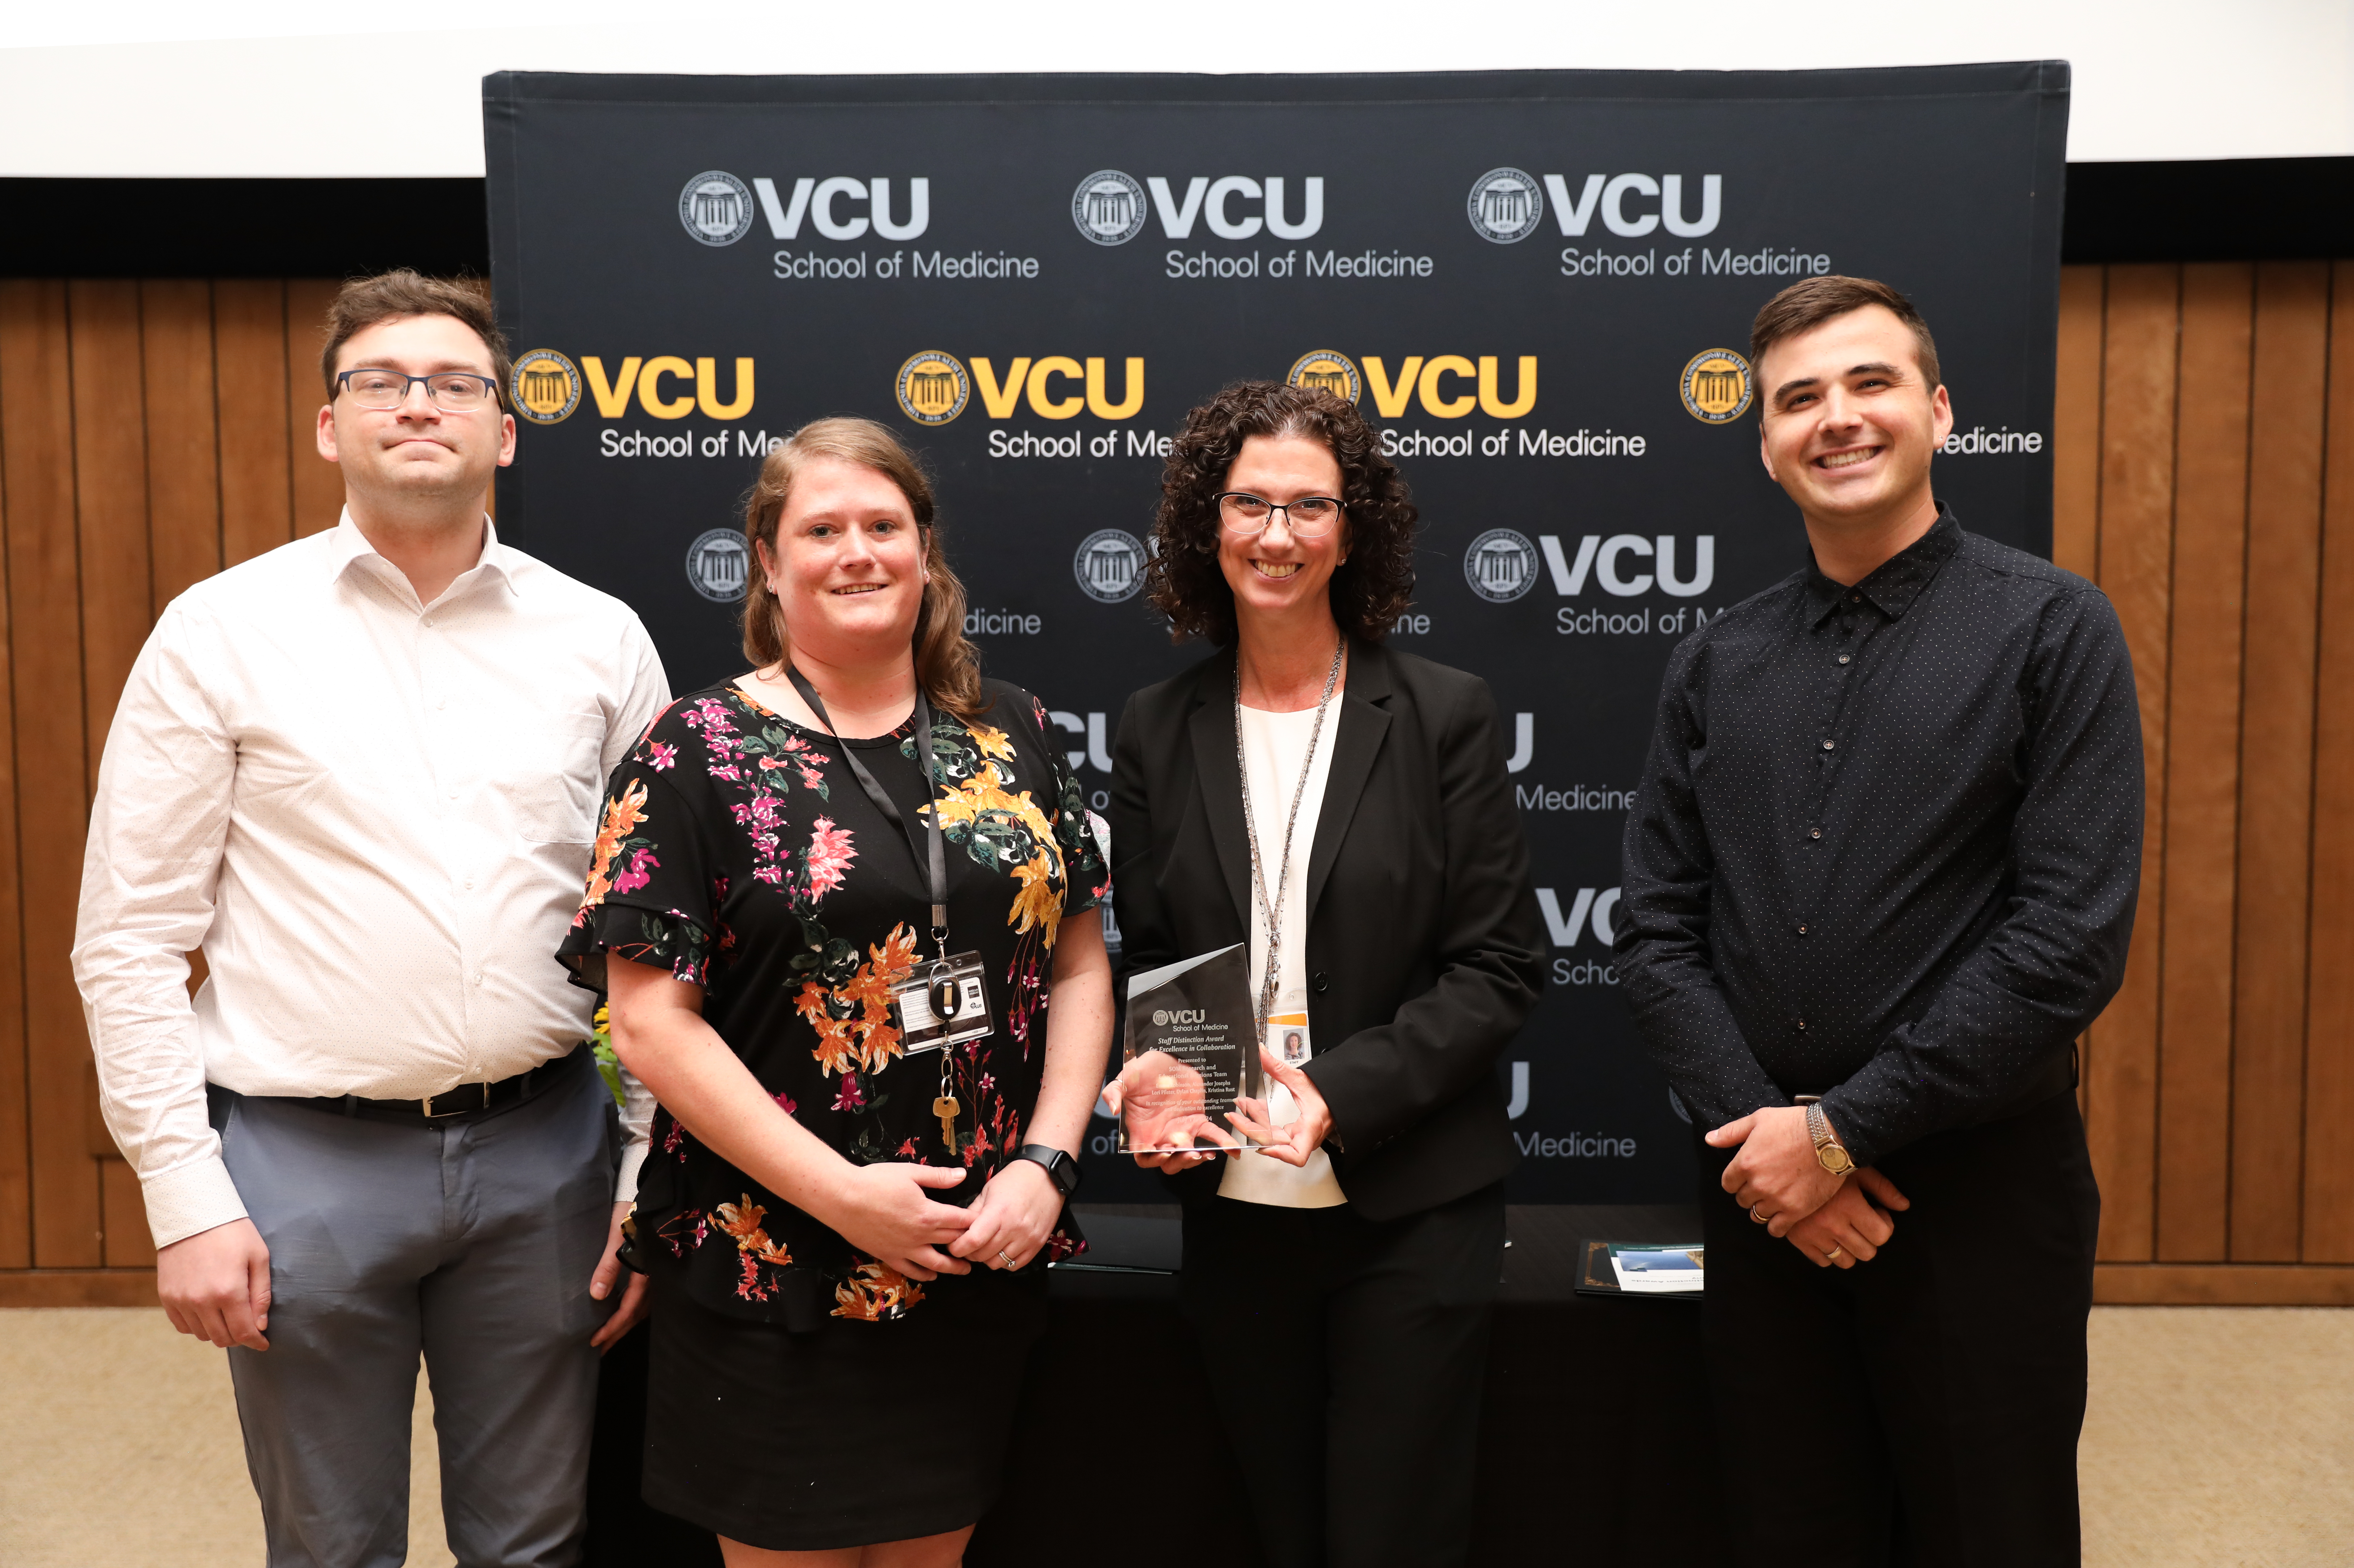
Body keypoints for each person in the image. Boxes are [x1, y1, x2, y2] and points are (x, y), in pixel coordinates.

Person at [70, 269, 671, 1565]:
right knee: (331, 1547)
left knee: (534, 1543)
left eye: (455, 383)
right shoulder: (219, 633)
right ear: (331, 426)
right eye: (380, 382)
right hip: (302, 1170)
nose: (419, 404)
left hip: (548, 1159)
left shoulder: (600, 639)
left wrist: (642, 1168)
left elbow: (654, 946)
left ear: (504, 430)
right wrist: (185, 1198)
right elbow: (127, 938)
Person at [1615, 275, 2142, 1565]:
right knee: (1791, 1528)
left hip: (1974, 1201)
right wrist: (1780, 1162)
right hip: (1762, 1201)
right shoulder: (1718, 661)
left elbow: (2068, 938)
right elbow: (1657, 930)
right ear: (1766, 444)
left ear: (1939, 411)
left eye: (1870, 384)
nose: (1835, 419)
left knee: (1989, 1528)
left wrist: (1842, 1135)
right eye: (1799, 399)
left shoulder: (2052, 629)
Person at [570, 417, 1112, 1566]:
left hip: (970, 1250)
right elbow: (650, 1024)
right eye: (822, 529)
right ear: (769, 562)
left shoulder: (1011, 730)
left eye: (885, 524)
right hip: (773, 1265)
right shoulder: (695, 751)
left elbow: (1075, 961)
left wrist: (1048, 1166)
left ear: (927, 550)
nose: (858, 551)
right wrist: (841, 1197)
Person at [1111, 381, 1546, 1568]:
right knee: (1279, 1530)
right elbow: (1156, 952)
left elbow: (1501, 964)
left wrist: (1340, 1093)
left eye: (1311, 506)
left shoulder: (1444, 713)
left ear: (1354, 532)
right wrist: (1166, 1087)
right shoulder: (1157, 725)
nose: (1278, 534)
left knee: (1389, 1538)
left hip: (1408, 1206)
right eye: (1250, 503)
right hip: (1237, 1214)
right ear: (1211, 524)